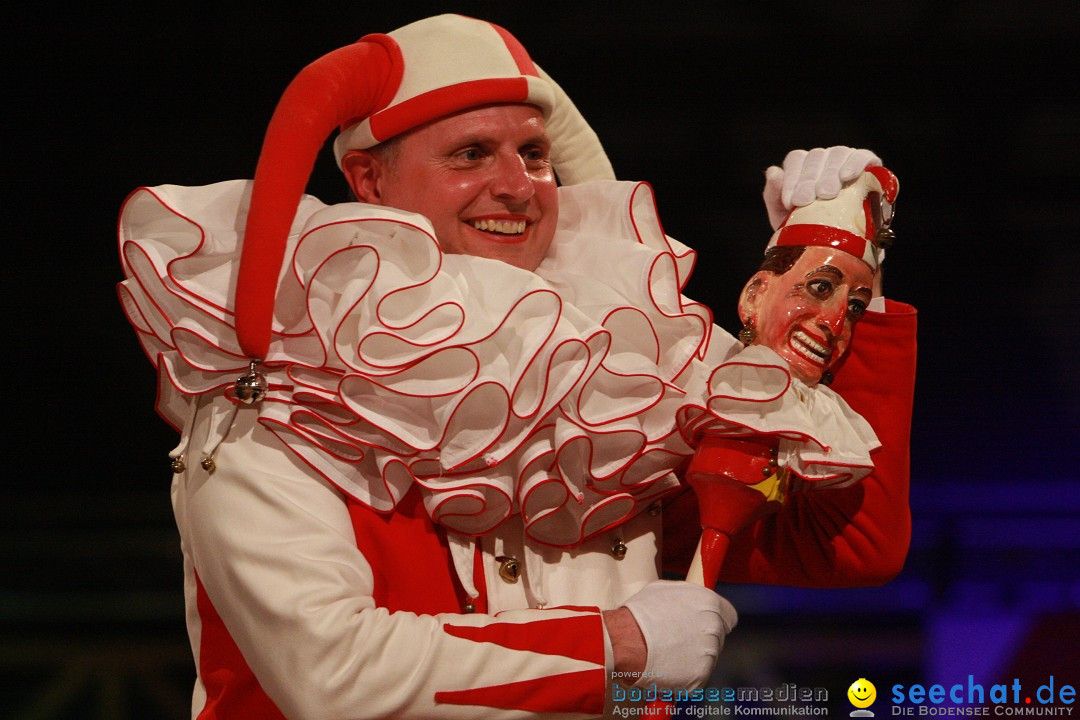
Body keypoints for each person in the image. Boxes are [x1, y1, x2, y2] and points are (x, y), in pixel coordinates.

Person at [116, 14, 916, 720]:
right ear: (369, 179)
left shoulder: (616, 391)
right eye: (471, 153)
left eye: (533, 154)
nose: (517, 186)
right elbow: (333, 677)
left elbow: (849, 543)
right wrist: (615, 646)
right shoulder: (285, 394)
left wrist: (845, 271)